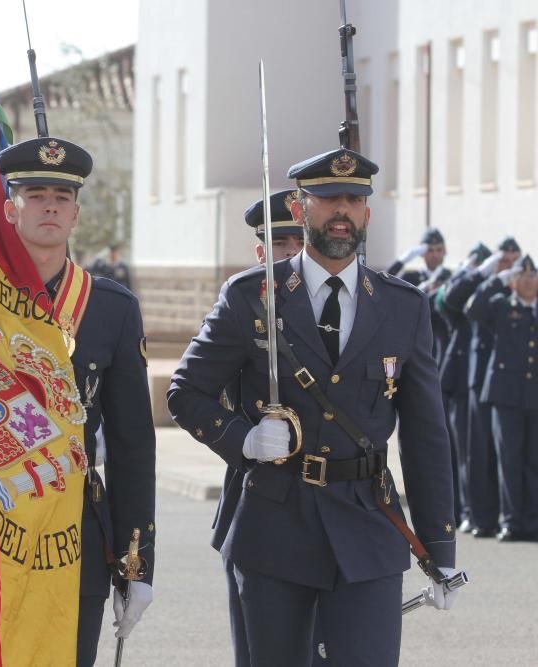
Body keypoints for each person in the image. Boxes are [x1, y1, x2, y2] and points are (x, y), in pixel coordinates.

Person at [168, 148, 458, 666]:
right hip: (274, 526)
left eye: (353, 200)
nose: (341, 211)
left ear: (367, 213)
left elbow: (427, 436)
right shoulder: (252, 296)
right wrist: (244, 439)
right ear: (301, 211)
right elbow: (186, 390)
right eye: (327, 200)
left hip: (367, 526)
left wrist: (439, 547)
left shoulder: (402, 306)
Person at [0, 137, 157, 667]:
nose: (48, 206)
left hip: (75, 529)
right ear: (8, 208)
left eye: (61, 197)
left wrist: (139, 563)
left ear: (76, 213)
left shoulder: (111, 308)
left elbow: (133, 444)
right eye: (34, 193)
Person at [217, 188, 327, 665]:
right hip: (261, 492)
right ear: (261, 252)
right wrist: (244, 435)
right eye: (278, 245)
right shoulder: (244, 302)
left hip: (336, 503)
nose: (290, 254)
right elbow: (203, 391)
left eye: (297, 241)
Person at [444, 237, 521, 538]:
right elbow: (451, 301)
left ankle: (506, 514)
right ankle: (479, 516)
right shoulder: (479, 285)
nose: (509, 266)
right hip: (472, 380)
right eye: (504, 260)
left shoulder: (520, 285)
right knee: (474, 453)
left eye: (513, 260)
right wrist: (484, 273)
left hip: (509, 381)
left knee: (506, 453)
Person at [465, 253, 538, 542]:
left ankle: (532, 521)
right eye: (524, 275)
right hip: (506, 396)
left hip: (534, 396)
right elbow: (472, 309)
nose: (530, 280)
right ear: (514, 281)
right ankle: (511, 521)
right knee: (509, 460)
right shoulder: (500, 306)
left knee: (533, 460)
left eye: (534, 276)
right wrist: (498, 277)